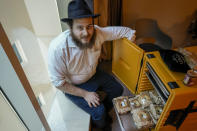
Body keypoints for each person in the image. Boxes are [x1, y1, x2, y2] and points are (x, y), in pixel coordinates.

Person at [48, 0, 136, 130]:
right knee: (98, 112)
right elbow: (58, 83)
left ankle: (103, 111)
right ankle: (101, 124)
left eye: (89, 26)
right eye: (80, 28)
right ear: (71, 27)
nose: (86, 32)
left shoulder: (97, 32)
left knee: (118, 89)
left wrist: (130, 50)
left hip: (94, 74)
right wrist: (85, 94)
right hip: (73, 85)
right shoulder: (58, 48)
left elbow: (127, 32)